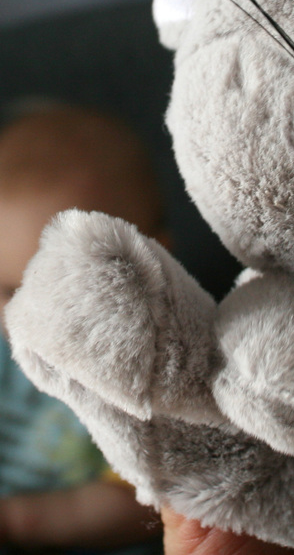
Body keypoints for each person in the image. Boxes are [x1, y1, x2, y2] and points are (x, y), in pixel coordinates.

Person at [0, 102, 166, 552]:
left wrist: (17, 523)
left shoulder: (163, 373)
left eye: (68, 293)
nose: (37, 320)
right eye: (11, 291)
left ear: (157, 261)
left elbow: (150, 504)